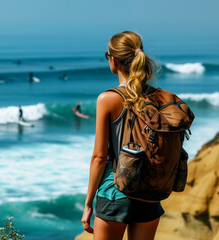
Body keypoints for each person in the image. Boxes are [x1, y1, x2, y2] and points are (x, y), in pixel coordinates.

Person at [81, 31, 164, 240]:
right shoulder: (157, 97)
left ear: (114, 60)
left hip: (115, 192)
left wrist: (88, 203)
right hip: (149, 196)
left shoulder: (108, 99)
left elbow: (99, 157)